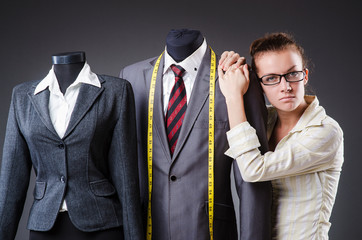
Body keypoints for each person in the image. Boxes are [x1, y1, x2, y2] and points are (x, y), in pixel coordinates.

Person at [119, 29, 272, 240]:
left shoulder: (237, 77)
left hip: (208, 230)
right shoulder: (131, 78)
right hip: (149, 228)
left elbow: (252, 181)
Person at [0, 52, 143, 240]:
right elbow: (12, 179)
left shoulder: (115, 91)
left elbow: (125, 174)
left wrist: (134, 236)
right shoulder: (23, 96)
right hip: (45, 225)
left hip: (102, 224)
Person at [218, 33, 344, 239]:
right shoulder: (261, 122)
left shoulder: (326, 131)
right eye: (271, 78)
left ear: (305, 75)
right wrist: (230, 66)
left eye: (292, 74)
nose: (285, 86)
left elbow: (253, 169)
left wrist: (233, 96)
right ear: (259, 85)